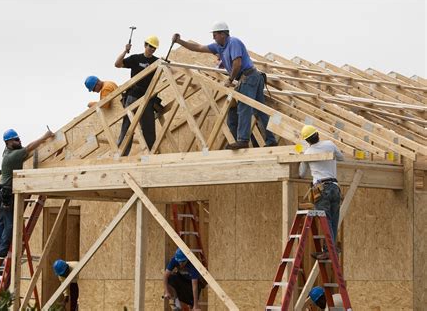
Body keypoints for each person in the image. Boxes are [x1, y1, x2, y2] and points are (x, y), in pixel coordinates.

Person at [172, 21, 278, 149]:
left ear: (223, 34)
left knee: (244, 108)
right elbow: (198, 48)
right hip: (251, 77)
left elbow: (237, 63)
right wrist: (180, 41)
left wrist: (230, 79)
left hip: (249, 77)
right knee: (259, 111)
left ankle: (243, 140)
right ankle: (271, 140)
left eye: (215, 34)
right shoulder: (218, 47)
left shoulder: (233, 42)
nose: (213, 37)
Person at [0, 128, 54, 258]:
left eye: (19, 138)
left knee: (2, 222)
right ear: (8, 142)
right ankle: (2, 253)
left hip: (2, 191)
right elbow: (29, 148)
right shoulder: (13, 156)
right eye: (16, 140)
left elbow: (26, 147)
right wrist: (45, 137)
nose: (19, 141)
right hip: (7, 193)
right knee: (9, 224)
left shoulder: (8, 152)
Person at [298, 125, 344, 260]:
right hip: (335, 187)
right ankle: (330, 248)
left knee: (326, 220)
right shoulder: (330, 144)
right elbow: (341, 158)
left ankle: (329, 250)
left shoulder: (308, 153)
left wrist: (301, 158)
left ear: (307, 141)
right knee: (333, 220)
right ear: (317, 134)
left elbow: (301, 174)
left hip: (321, 189)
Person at [114, 35, 161, 155]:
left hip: (147, 98)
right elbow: (117, 64)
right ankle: (122, 155)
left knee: (149, 128)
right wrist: (125, 50)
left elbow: (169, 71)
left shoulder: (157, 61)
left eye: (154, 48)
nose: (151, 49)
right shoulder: (135, 59)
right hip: (133, 97)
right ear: (145, 45)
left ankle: (151, 154)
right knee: (127, 127)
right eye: (150, 46)